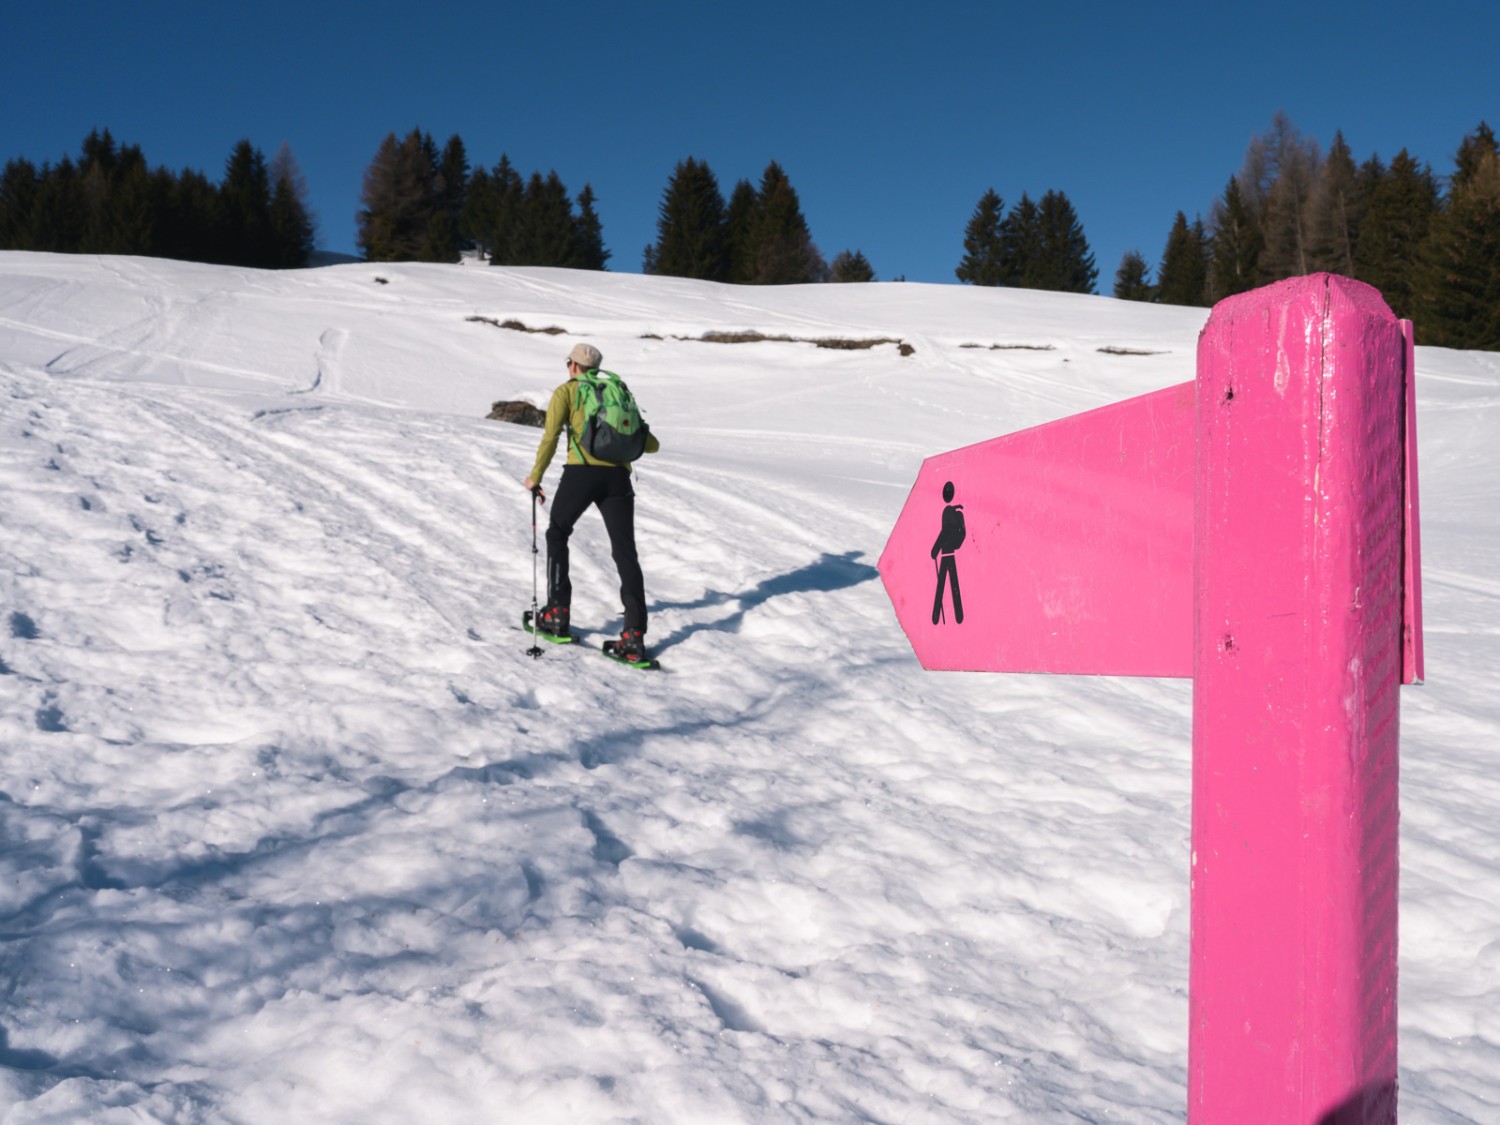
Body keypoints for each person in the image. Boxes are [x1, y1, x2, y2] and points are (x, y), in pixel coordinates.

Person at [523, 342, 661, 662]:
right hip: (618, 479)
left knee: (557, 533)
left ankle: (557, 613)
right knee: (625, 551)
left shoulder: (567, 391)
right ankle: (634, 635)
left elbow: (551, 436)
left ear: (573, 365)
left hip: (581, 474)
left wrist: (535, 477)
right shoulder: (618, 391)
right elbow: (650, 444)